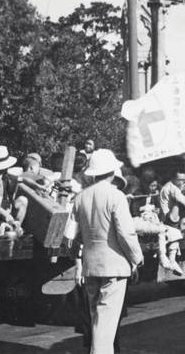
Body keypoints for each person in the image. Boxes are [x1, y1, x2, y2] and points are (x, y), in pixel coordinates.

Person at [72, 149, 143, 354]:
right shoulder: (116, 196)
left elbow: (71, 237)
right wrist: (137, 259)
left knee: (96, 320)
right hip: (114, 267)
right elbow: (125, 234)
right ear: (112, 172)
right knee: (105, 326)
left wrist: (74, 257)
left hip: (91, 266)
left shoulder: (80, 198)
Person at [129, 168, 184, 275]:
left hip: (154, 223)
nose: (153, 188)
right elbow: (134, 212)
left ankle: (172, 261)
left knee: (176, 233)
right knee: (161, 230)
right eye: (151, 186)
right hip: (140, 222)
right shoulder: (137, 194)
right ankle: (163, 258)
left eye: (155, 185)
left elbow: (161, 213)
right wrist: (147, 210)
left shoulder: (155, 195)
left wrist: (160, 217)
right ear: (145, 184)